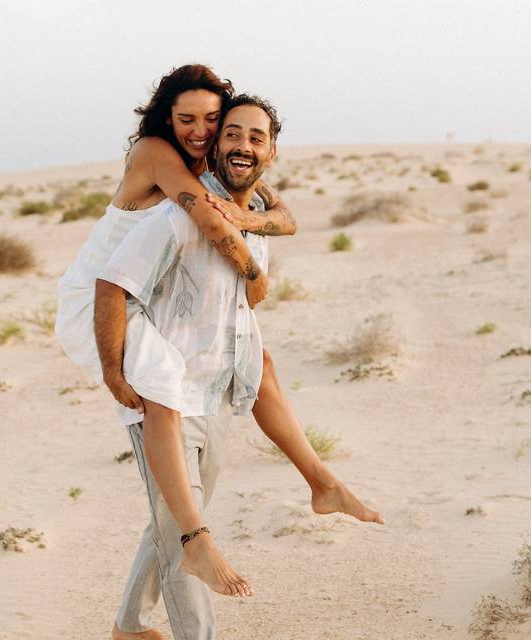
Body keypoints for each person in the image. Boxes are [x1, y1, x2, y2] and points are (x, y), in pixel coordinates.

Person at [92, 94, 383, 640]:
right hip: (164, 396)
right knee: (190, 535)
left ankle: (130, 627)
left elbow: (245, 298)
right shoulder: (182, 212)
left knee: (169, 519)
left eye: (256, 136)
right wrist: (113, 369)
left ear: (272, 151)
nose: (242, 144)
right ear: (216, 145)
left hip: (216, 395)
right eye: (232, 134)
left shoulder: (252, 222)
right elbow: (112, 281)